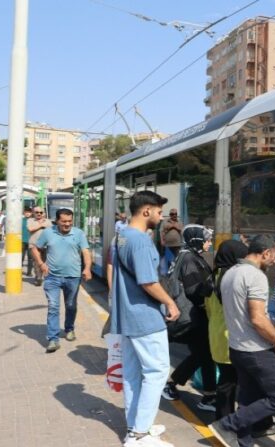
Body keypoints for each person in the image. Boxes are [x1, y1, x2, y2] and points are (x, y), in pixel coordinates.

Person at [208, 235, 275, 447]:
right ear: (265, 252)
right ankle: (227, 425)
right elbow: (258, 318)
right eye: (274, 256)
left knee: (248, 400)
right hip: (256, 349)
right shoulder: (255, 276)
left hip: (237, 348)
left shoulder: (229, 273)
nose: (274, 262)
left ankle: (243, 442)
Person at [111, 191, 180, 447]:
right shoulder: (139, 241)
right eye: (160, 212)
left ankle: (136, 427)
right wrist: (170, 301)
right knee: (157, 371)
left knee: (133, 373)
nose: (162, 217)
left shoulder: (121, 236)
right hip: (145, 316)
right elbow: (148, 281)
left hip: (127, 315)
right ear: (146, 211)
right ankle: (140, 435)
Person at [161, 224, 218, 412]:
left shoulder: (187, 255)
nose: (209, 243)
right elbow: (194, 289)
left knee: (204, 354)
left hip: (193, 314)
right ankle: (173, 384)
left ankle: (209, 395)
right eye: (206, 239)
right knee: (204, 353)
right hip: (192, 315)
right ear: (196, 239)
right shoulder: (189, 258)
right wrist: (213, 293)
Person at [30, 209, 92, 353]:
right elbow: (35, 248)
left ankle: (69, 328)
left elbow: (85, 252)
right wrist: (41, 264)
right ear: (57, 220)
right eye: (64, 221)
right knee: (53, 306)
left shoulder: (78, 233)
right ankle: (53, 339)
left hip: (73, 277)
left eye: (70, 221)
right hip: (52, 277)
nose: (67, 224)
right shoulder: (48, 233)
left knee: (71, 305)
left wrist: (87, 268)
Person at [206, 240, 249, 420]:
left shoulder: (212, 277)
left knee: (225, 381)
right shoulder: (233, 278)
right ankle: (233, 421)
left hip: (215, 333)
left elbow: (208, 308)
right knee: (241, 382)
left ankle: (222, 419)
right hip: (231, 335)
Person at [28, 207, 53, 286]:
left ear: (43, 213)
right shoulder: (30, 220)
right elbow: (30, 229)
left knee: (45, 261)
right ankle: (38, 278)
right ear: (33, 213)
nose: (39, 214)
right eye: (37, 212)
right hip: (34, 245)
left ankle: (43, 276)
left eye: (41, 212)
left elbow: (52, 230)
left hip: (46, 245)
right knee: (37, 262)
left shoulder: (48, 221)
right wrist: (41, 225)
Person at [21, 208, 33, 275]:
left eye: (29, 212)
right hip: (22, 241)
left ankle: (29, 272)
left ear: (31, 213)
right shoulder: (21, 221)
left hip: (31, 242)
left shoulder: (33, 221)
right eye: (26, 212)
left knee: (30, 258)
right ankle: (19, 270)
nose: (27, 213)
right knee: (21, 257)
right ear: (24, 213)